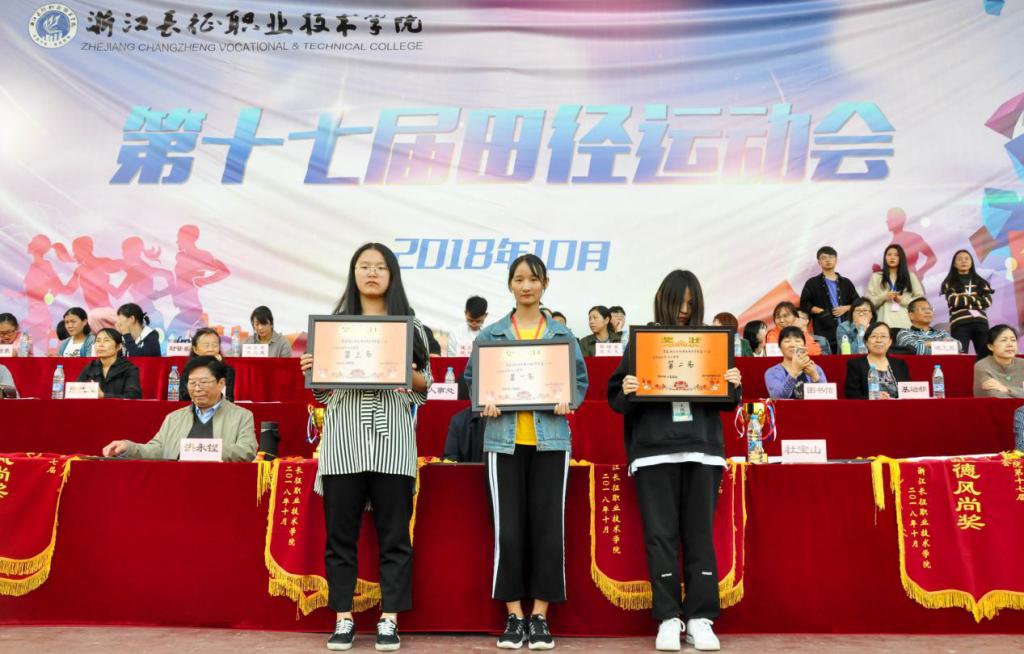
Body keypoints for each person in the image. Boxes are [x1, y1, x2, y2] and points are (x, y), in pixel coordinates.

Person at [298, 243, 431, 652]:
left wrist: (403, 370)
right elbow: (323, 396)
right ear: (353, 273)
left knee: (395, 537)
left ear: (392, 275)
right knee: (340, 537)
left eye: (380, 267)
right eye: (364, 266)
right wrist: (314, 373)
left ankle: (390, 619)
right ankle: (343, 618)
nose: (372, 273)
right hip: (344, 443)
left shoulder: (411, 327)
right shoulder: (333, 326)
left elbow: (424, 386)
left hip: (393, 444)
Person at [607, 269, 740, 652]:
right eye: (678, 301)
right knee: (660, 536)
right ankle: (668, 617)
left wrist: (733, 383)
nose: (684, 309)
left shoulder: (711, 342)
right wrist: (629, 387)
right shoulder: (643, 342)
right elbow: (617, 397)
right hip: (654, 450)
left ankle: (700, 618)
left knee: (699, 535)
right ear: (663, 300)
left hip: (702, 449)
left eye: (690, 303)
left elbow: (728, 400)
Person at [462, 253, 589, 651]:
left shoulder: (562, 335)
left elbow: (579, 380)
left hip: (551, 441)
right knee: (509, 530)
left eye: (534, 279)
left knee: (548, 529)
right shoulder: (492, 334)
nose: (527, 286)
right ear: (510, 285)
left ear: (545, 284)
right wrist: (484, 400)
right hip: (503, 443)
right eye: (519, 279)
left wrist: (569, 399)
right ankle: (515, 615)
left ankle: (541, 616)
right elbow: (472, 379)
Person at [101, 356, 255, 460]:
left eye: (203, 382)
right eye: (192, 383)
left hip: (220, 483)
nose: (197, 388)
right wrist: (128, 447)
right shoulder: (174, 418)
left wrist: (205, 449)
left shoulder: (242, 416)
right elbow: (156, 450)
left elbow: (247, 452)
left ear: (221, 383)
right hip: (177, 482)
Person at [799, 246, 859, 351]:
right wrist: (820, 311)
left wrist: (845, 308)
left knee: (848, 356)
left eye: (831, 257)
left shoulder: (846, 282)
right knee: (827, 358)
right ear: (819, 262)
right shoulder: (812, 283)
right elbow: (804, 304)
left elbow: (858, 303)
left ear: (836, 260)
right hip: (824, 330)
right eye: (824, 258)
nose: (828, 260)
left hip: (847, 329)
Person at [941, 250, 994, 360]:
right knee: (960, 356)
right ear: (954, 264)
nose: (963, 261)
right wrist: (977, 299)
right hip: (960, 323)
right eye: (960, 259)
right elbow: (954, 301)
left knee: (985, 357)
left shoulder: (981, 282)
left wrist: (964, 299)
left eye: (966, 259)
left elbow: (988, 301)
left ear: (971, 262)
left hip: (981, 322)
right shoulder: (949, 282)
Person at [844, 323, 910, 399]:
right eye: (874, 336)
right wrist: (874, 397)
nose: (879, 340)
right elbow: (852, 395)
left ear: (890, 342)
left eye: (883, 336)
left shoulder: (900, 364)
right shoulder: (856, 365)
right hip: (869, 406)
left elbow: (908, 392)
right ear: (866, 342)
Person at [867, 244, 924, 330]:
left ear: (901, 258)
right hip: (883, 323)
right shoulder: (876, 277)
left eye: (896, 255)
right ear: (885, 258)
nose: (892, 257)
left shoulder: (910, 276)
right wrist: (884, 296)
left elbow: (920, 300)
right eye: (889, 254)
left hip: (905, 323)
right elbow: (868, 302)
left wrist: (903, 300)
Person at [76, 328, 142, 399]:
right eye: (98, 341)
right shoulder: (90, 368)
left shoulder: (129, 369)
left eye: (106, 340)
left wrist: (103, 395)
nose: (100, 345)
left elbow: (133, 396)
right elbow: (75, 392)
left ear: (118, 346)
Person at [765, 326, 827, 399]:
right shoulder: (772, 372)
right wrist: (794, 372)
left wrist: (815, 376)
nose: (793, 345)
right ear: (780, 347)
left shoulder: (815, 368)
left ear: (804, 345)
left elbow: (826, 398)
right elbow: (778, 398)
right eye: (787, 341)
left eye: (797, 341)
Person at [181, 328, 236, 402]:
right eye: (206, 346)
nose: (211, 349)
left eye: (215, 345)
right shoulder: (189, 370)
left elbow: (229, 399)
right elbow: (183, 399)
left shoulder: (227, 370)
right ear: (195, 349)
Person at [895, 298, 962, 355]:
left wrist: (927, 345)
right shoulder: (904, 333)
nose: (928, 312)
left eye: (930, 309)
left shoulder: (941, 333)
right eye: (923, 309)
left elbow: (958, 346)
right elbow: (912, 349)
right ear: (911, 315)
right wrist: (942, 346)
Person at [973, 325, 1024, 398]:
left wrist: (1006, 389)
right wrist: (1019, 392)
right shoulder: (982, 366)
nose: (1010, 344)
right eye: (1004, 340)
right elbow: (994, 395)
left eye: (1013, 340)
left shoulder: (1022, 363)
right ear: (990, 346)